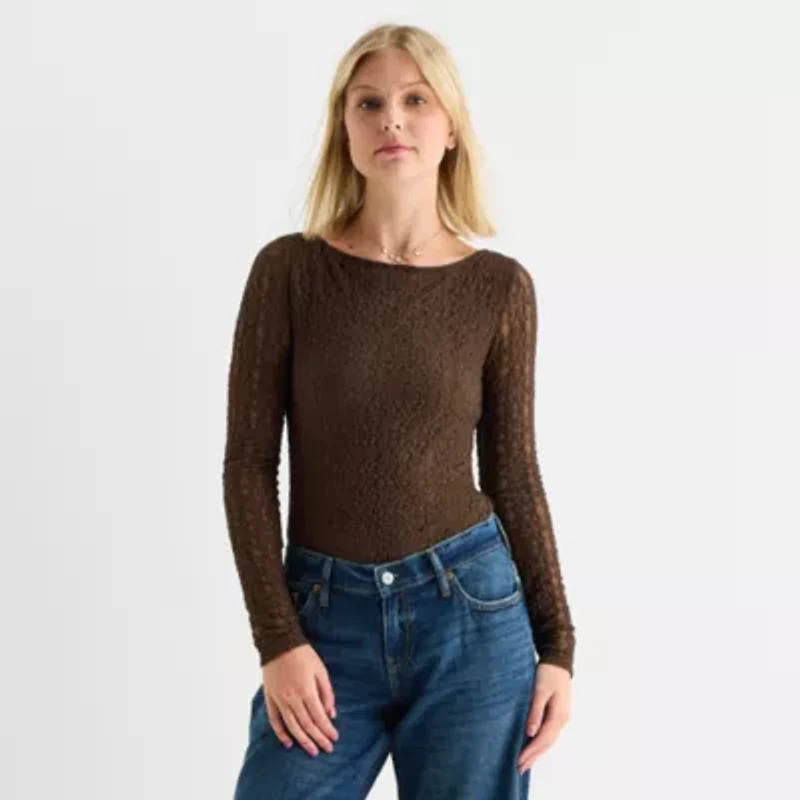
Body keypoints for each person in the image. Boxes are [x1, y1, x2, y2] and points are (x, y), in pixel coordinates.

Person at [222, 22, 575, 800]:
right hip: (323, 619)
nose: (392, 119)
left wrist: (557, 646)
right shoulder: (289, 271)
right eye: (369, 103)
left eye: (417, 100)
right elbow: (248, 465)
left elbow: (513, 472)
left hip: (471, 616)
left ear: (450, 128)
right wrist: (278, 639)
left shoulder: (499, 288)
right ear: (343, 129)